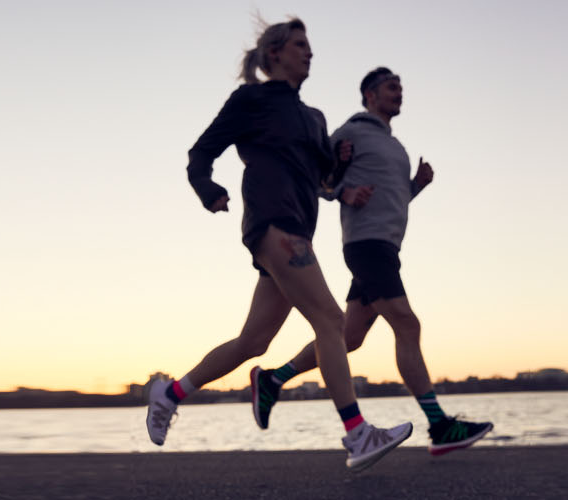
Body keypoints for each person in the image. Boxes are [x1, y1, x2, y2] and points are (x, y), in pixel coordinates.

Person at [146, 17, 412, 473]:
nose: (309, 53)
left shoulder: (314, 118)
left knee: (254, 341)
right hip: (272, 222)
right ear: (275, 53)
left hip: (299, 228)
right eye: (300, 45)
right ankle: (357, 434)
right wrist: (209, 190)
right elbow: (200, 153)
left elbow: (323, 180)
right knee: (332, 320)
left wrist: (338, 164)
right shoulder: (251, 100)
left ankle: (169, 394)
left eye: (310, 46)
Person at [248, 67, 494, 456]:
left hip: (386, 247)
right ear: (370, 95)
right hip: (367, 246)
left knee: (349, 338)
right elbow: (315, 178)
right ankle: (440, 426)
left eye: (401, 87)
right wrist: (342, 192)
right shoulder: (351, 132)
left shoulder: (395, 146)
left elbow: (391, 200)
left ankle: (273, 380)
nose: (399, 92)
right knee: (407, 324)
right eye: (391, 87)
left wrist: (416, 186)